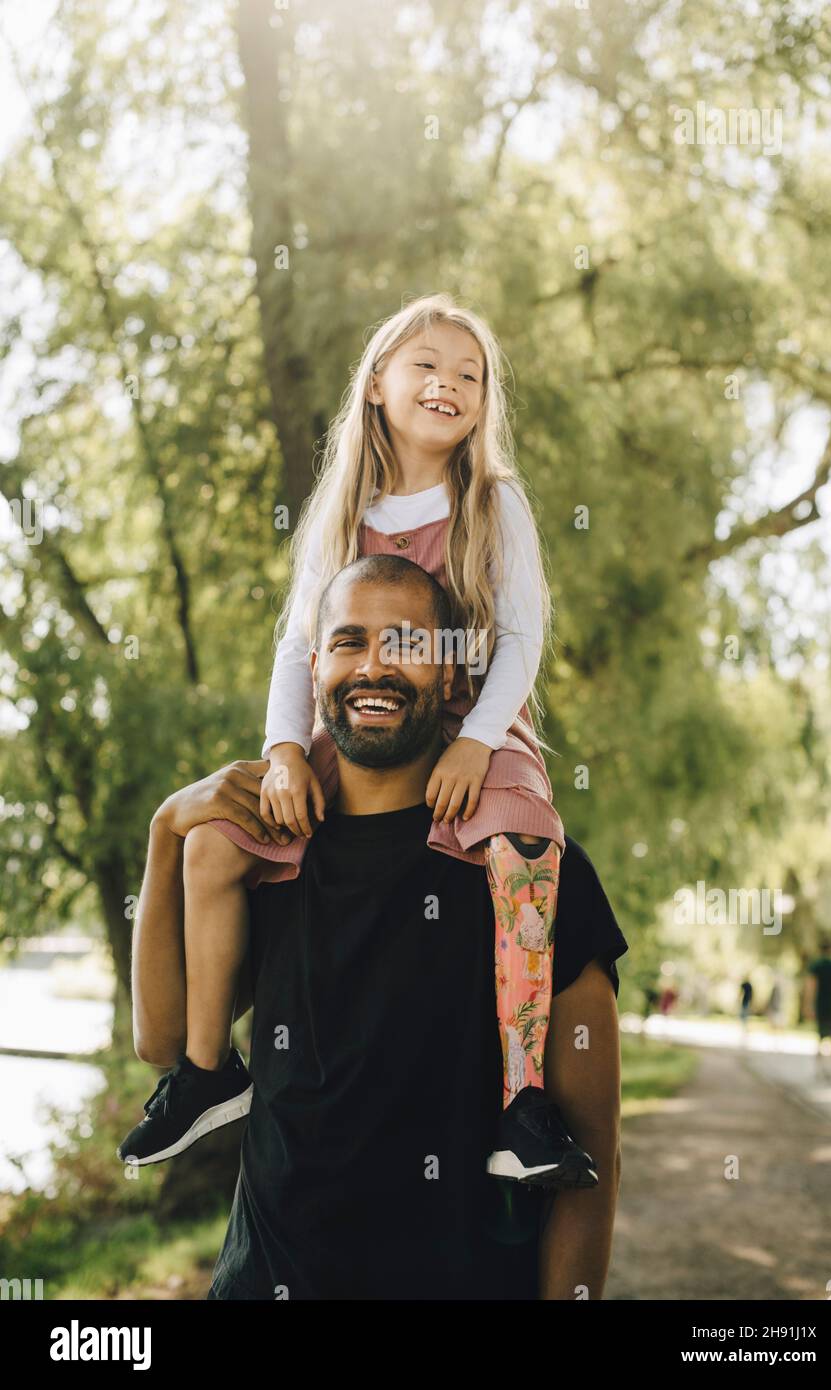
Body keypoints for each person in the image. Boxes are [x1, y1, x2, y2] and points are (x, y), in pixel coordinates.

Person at [119, 292, 582, 1185]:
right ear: (377, 384)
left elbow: (521, 638)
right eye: (426, 366)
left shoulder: (493, 501)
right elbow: (300, 646)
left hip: (474, 716)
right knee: (215, 840)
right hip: (356, 719)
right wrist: (287, 751)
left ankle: (521, 1105)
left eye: (469, 373)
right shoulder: (343, 507)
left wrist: (479, 741)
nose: (447, 383)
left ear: (485, 402)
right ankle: (210, 1070)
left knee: (524, 844)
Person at [126, 562, 628, 1299]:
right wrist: (167, 831)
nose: (373, 666)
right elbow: (164, 1042)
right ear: (314, 668)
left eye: (405, 643)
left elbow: (592, 1154)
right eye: (349, 641)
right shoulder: (266, 862)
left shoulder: (531, 872)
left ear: (453, 677)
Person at [805, 939, 831, 1079]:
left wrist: (808, 1006)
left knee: (820, 1038)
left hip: (821, 1006)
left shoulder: (817, 966)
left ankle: (818, 1070)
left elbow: (811, 987)